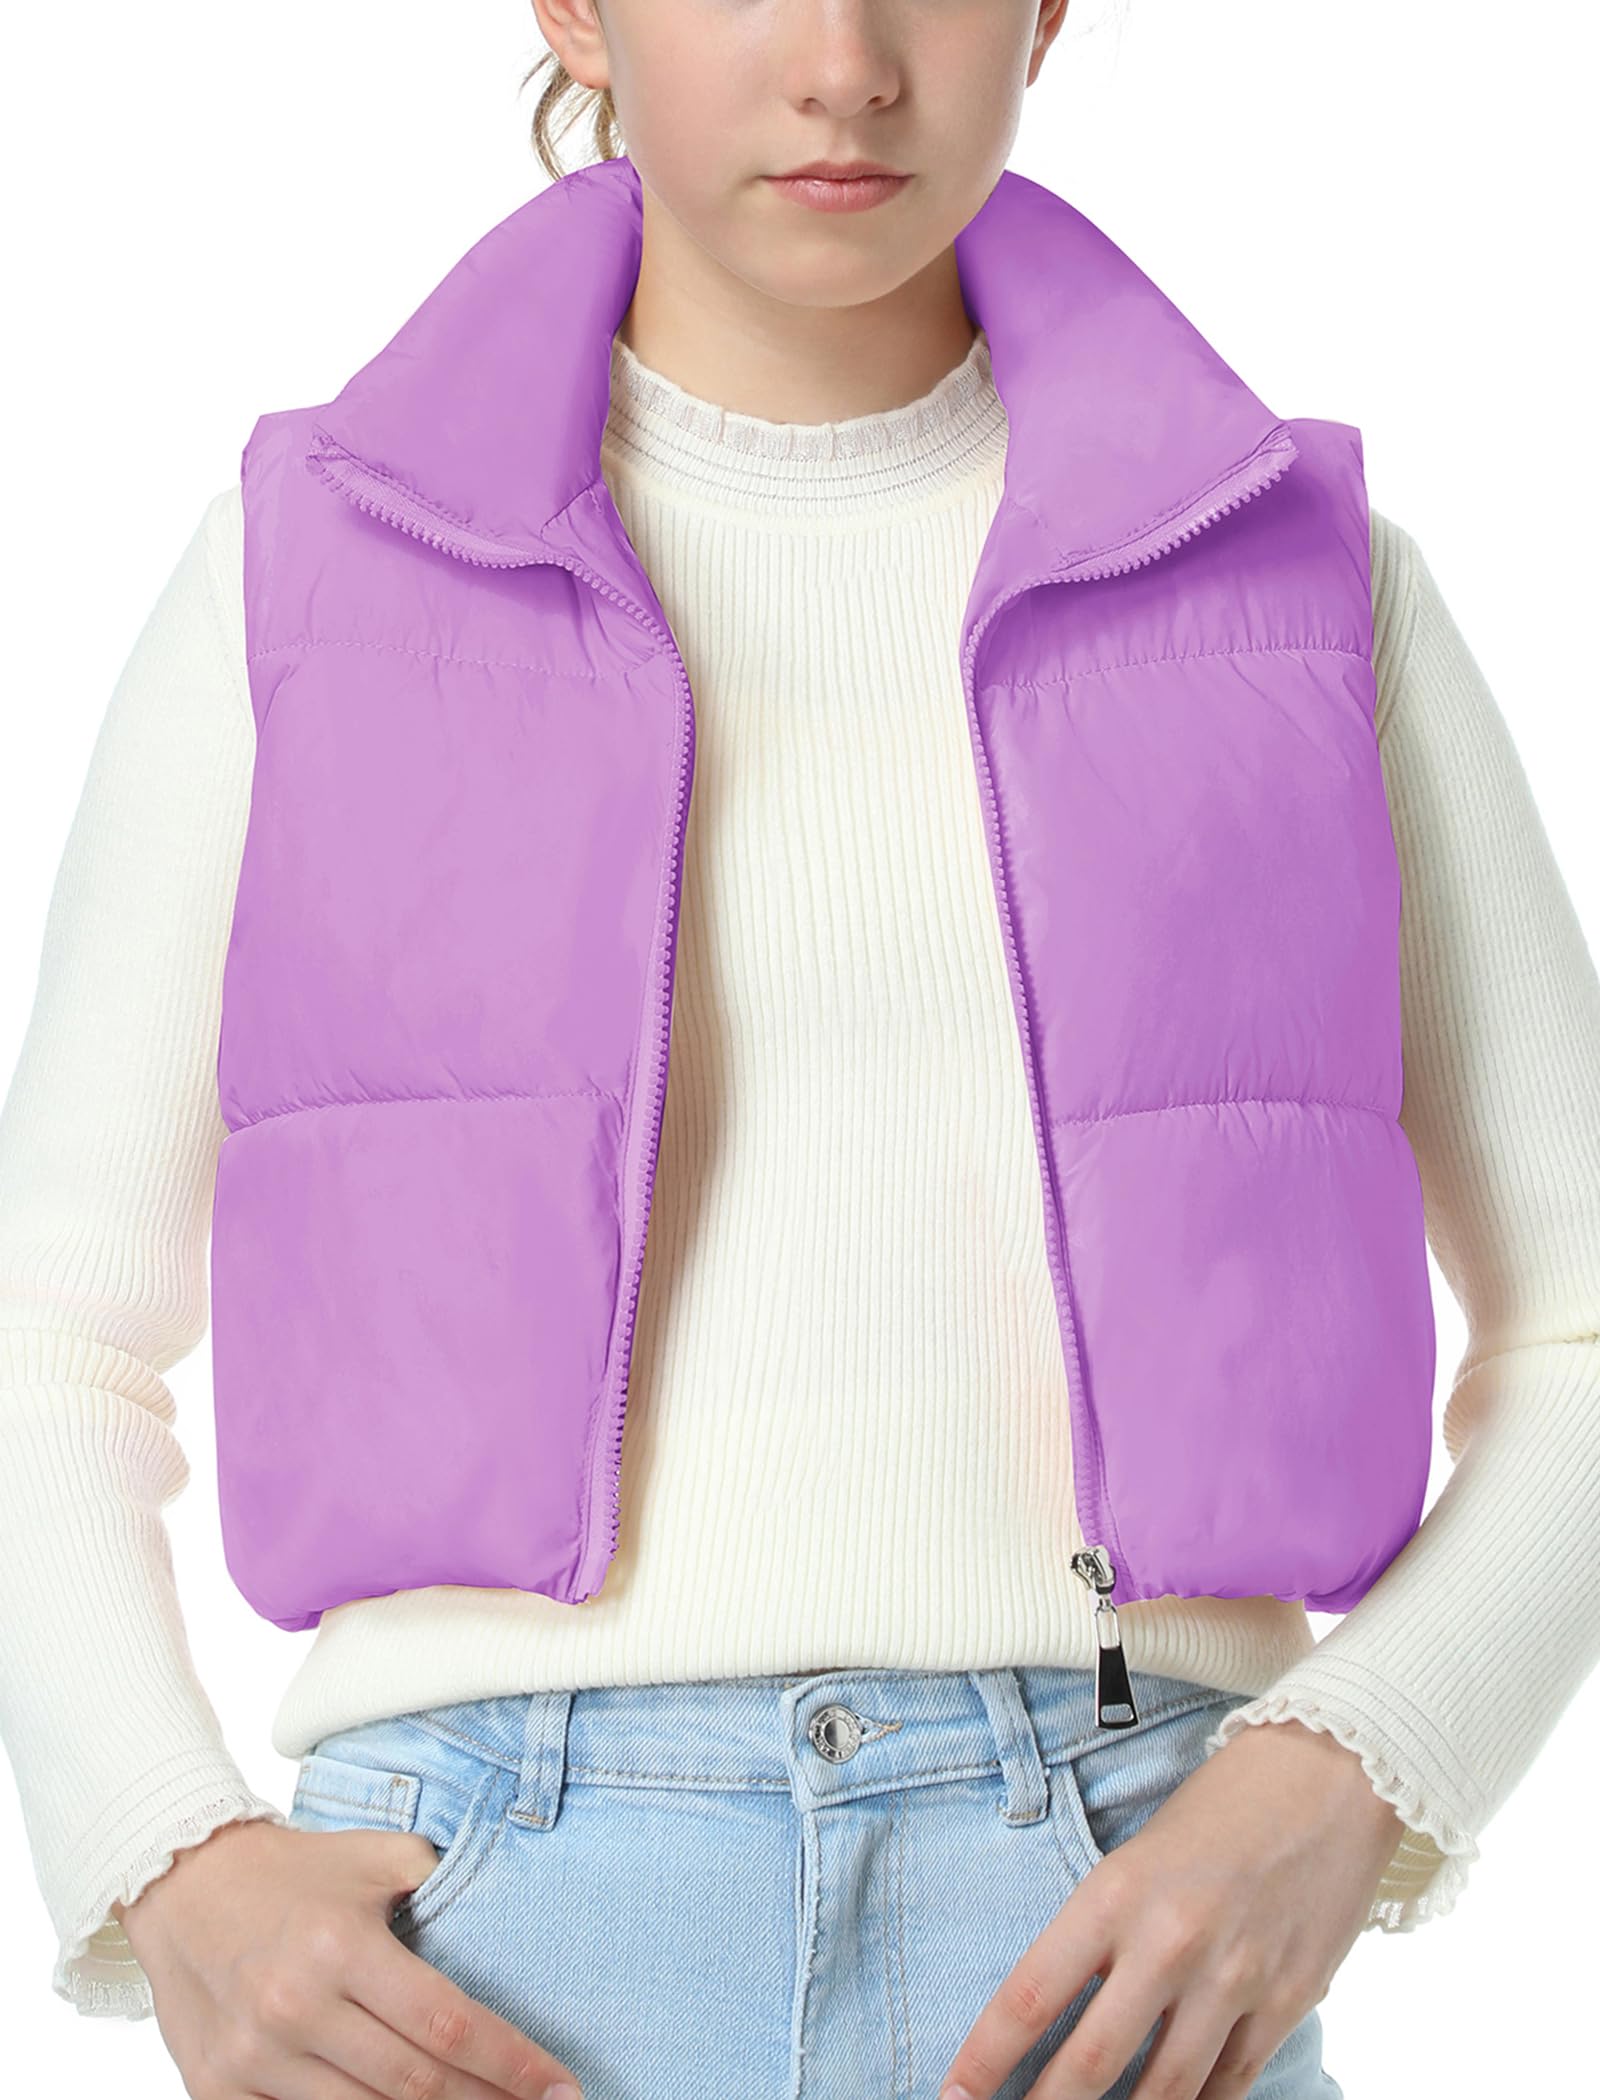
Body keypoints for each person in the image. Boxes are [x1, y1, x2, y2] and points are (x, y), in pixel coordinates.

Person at [2, 4, 1598, 2097]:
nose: (846, 64)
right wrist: (168, 1856)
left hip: (1126, 1923)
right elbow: (52, 1336)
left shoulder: (1300, 581)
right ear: (575, 9)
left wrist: (1356, 1766)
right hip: (478, 1936)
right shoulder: (303, 574)